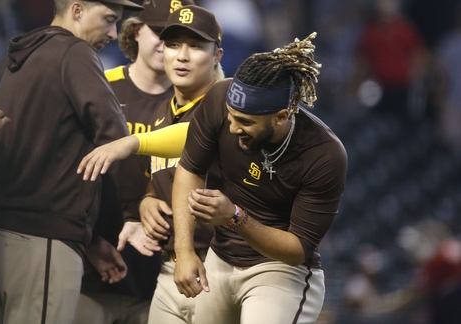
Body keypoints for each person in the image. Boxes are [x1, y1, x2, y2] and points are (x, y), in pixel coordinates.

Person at [0, 0, 144, 323]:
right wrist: (134, 211)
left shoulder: (26, 55)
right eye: (109, 19)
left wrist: (88, 239)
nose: (114, 33)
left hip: (4, 237)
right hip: (42, 246)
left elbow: (48, 160)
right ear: (78, 10)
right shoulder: (75, 52)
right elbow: (117, 138)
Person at [170, 33, 348, 324]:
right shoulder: (218, 97)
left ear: (280, 116)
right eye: (230, 116)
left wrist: (235, 216)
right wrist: (185, 250)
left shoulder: (324, 154)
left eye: (245, 121)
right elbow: (190, 169)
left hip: (281, 271)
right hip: (220, 257)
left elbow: (296, 250)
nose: (232, 127)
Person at [73, 1, 193, 324]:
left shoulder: (198, 106)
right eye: (160, 33)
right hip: (93, 271)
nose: (168, 45)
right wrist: (88, 242)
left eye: (179, 39)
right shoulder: (99, 87)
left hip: (163, 283)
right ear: (137, 31)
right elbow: (69, 173)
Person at [136, 5, 224, 324]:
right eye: (173, 44)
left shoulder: (227, 110)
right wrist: (147, 198)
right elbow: (162, 171)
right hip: (169, 268)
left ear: (217, 56)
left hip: (219, 268)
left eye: (196, 46)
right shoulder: (162, 111)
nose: (181, 56)